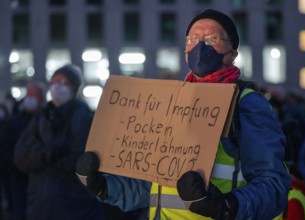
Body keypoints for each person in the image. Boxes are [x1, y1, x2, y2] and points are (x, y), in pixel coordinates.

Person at [76, 9, 290, 219]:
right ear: (186, 50)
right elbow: (154, 186)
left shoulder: (246, 102)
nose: (200, 46)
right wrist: (105, 187)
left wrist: (226, 207)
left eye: (212, 38)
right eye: (192, 39)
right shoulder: (175, 102)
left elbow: (273, 185)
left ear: (233, 53)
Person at [14, 64, 105, 220]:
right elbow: (21, 158)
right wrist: (51, 154)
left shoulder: (83, 119)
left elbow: (76, 163)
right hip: (40, 207)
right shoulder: (40, 118)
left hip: (75, 208)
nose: (58, 87)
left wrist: (39, 161)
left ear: (74, 88)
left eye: (64, 83)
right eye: (55, 81)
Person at [1, 81, 47, 220]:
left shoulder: (48, 120)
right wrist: (16, 166)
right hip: (18, 178)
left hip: (43, 181)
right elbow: (3, 148)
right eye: (29, 95)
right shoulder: (14, 122)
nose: (30, 99)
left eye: (34, 96)